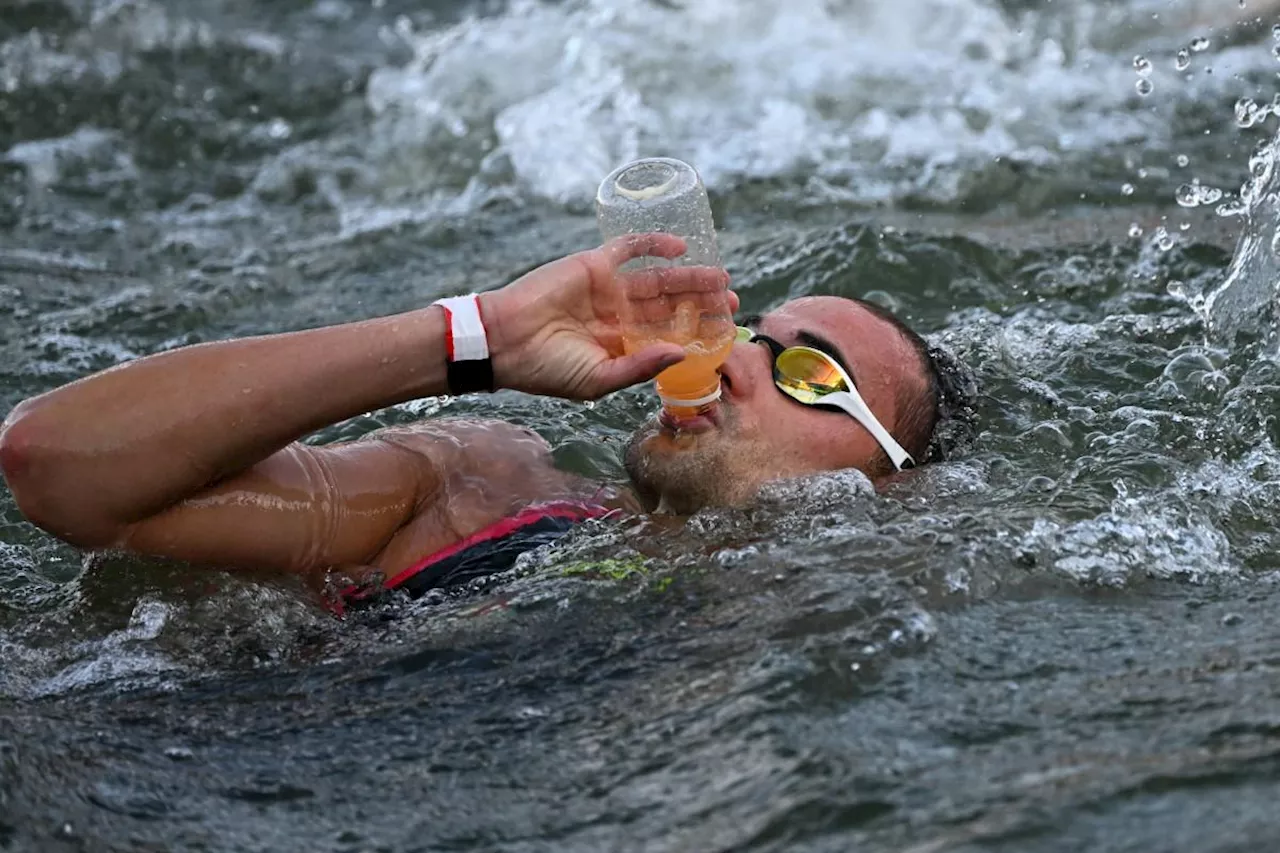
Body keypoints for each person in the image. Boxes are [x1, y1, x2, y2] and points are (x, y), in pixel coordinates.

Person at [0, 234, 975, 606]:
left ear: (894, 483)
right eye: (747, 332)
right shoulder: (477, 489)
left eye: (808, 372)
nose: (728, 360)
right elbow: (55, 466)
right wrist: (476, 337)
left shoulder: (842, 626)